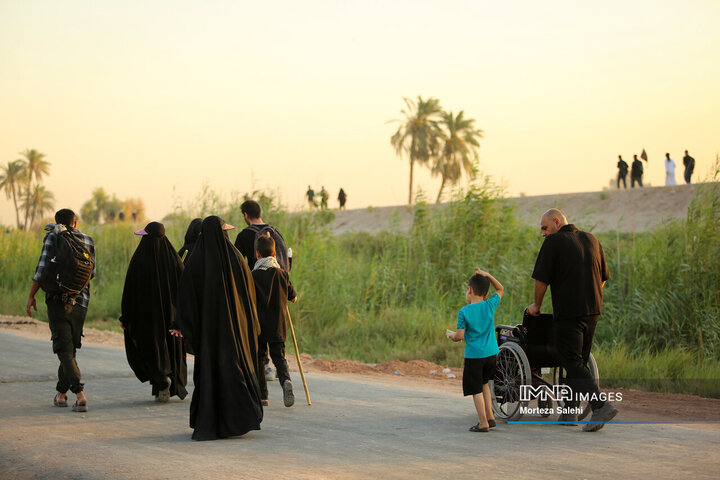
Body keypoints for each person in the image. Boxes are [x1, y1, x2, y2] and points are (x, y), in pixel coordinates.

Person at [170, 216, 263, 441]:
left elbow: (186, 296)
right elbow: (249, 296)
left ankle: (210, 421)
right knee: (235, 370)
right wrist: (249, 324)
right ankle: (239, 419)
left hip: (209, 336)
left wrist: (181, 323)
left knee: (210, 375)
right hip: (235, 332)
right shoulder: (237, 258)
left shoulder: (196, 260)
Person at [527, 208, 616, 432]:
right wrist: (589, 295)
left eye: (544, 228)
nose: (543, 234)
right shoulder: (592, 239)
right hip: (593, 310)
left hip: (569, 313)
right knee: (579, 361)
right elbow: (603, 278)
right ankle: (570, 411)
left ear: (557, 222)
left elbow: (541, 280)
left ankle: (600, 406)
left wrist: (537, 306)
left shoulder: (554, 242)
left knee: (571, 360)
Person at [26, 209, 95, 412]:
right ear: (75, 223)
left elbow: (41, 269)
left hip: (57, 301)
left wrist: (31, 296)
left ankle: (79, 394)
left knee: (64, 350)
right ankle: (61, 394)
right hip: (80, 302)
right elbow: (92, 273)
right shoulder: (87, 239)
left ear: (57, 222)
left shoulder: (53, 237)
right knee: (69, 349)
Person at [120, 221, 187, 403]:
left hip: (147, 317)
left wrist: (125, 317)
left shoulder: (139, 259)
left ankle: (160, 378)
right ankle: (169, 381)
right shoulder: (174, 260)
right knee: (172, 347)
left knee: (152, 346)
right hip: (172, 317)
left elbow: (129, 292)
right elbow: (185, 289)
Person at [234, 200, 289, 381]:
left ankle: (263, 367)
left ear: (245, 215)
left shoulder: (244, 236)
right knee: (275, 329)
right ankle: (279, 371)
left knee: (258, 330)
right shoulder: (275, 233)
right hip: (277, 288)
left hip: (254, 289)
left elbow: (236, 263)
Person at [447, 269, 503, 432]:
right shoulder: (489, 305)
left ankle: (483, 422)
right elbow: (500, 289)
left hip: (474, 357)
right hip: (492, 354)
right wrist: (488, 275)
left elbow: (460, 336)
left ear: (470, 290)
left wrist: (452, 336)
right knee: (485, 383)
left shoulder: (464, 312)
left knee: (475, 389)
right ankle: (490, 417)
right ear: (486, 293)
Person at [252, 232, 298, 408]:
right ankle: (286, 380)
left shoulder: (253, 275)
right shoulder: (282, 274)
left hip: (259, 326)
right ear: (274, 255)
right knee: (279, 357)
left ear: (257, 254)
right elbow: (293, 297)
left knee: (260, 358)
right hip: (278, 325)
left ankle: (263, 396)